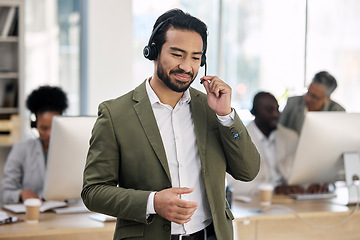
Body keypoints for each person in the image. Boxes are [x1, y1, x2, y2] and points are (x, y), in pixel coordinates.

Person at [81, 9, 260, 240]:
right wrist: (152, 202)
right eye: (177, 54)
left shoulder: (211, 108)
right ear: (153, 51)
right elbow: (93, 192)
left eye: (196, 57)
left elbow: (248, 171)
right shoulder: (115, 114)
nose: (187, 67)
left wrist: (226, 115)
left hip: (210, 234)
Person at [1, 86, 68, 204]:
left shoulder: (71, 151)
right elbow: (5, 193)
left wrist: (67, 197)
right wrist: (20, 194)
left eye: (54, 127)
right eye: (43, 128)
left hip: (66, 216)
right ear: (34, 124)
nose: (49, 134)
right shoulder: (21, 149)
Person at [227, 92, 298, 196]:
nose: (276, 114)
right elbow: (235, 184)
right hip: (256, 200)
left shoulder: (290, 137)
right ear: (254, 112)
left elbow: (299, 173)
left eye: (277, 109)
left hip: (288, 197)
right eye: (270, 110)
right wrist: (274, 189)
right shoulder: (238, 139)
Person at [279, 71, 345, 135]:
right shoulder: (292, 102)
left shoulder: (337, 112)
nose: (307, 98)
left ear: (327, 99)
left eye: (314, 97)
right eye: (308, 92)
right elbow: (278, 130)